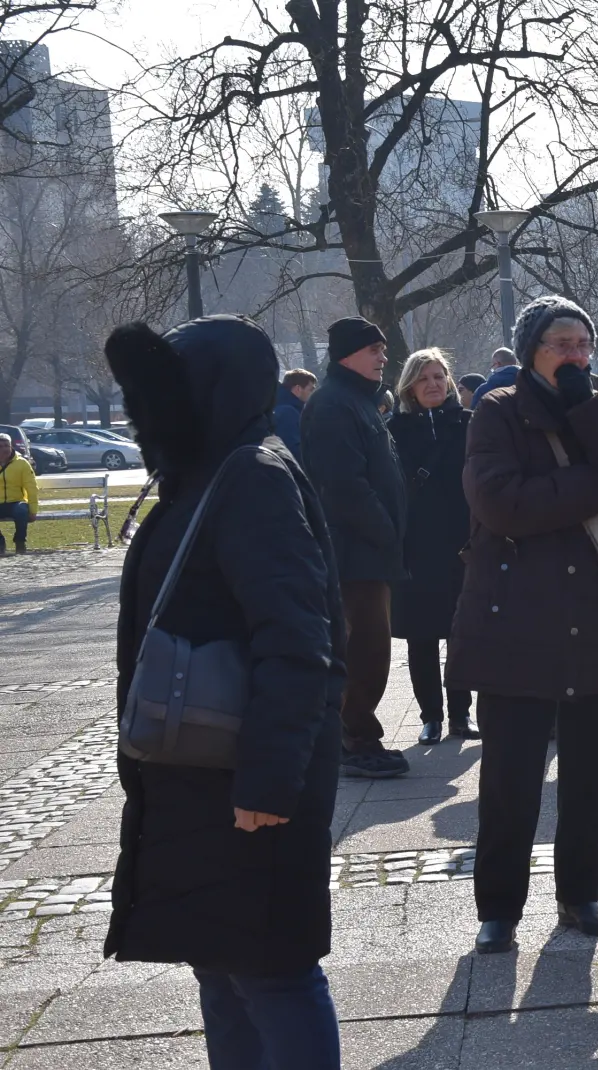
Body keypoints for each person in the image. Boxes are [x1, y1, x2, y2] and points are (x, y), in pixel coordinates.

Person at [102, 315, 343, 1069]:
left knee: (272, 972)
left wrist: (269, 781)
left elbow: (297, 641)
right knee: (220, 962)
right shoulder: (204, 472)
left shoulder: (252, 478)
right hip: (197, 774)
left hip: (245, 779)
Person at [448, 296, 598, 953]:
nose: (573, 354)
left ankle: (581, 896)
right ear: (532, 348)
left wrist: (587, 414)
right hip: (517, 619)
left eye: (581, 343)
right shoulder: (497, 409)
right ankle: (499, 910)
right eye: (559, 342)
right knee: (510, 781)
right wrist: (596, 488)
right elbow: (502, 504)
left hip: (596, 616)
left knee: (590, 778)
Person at [300, 316, 410, 778]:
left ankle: (358, 732)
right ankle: (354, 737)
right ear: (347, 355)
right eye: (374, 351)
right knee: (363, 648)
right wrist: (385, 530)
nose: (383, 358)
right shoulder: (332, 405)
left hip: (369, 550)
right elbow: (344, 485)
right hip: (354, 551)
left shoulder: (356, 401)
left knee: (371, 647)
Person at [388, 348, 478, 746]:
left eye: (439, 377)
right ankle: (431, 716)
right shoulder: (394, 429)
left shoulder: (469, 424)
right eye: (424, 378)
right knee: (421, 636)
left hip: (464, 544)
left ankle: (461, 714)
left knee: (463, 633)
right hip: (416, 546)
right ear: (409, 384)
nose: (433, 384)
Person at [0, 432, 36, 555]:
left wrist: (33, 510)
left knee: (21, 511)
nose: (4, 449)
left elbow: (31, 488)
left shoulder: (22, 463)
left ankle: (20, 542)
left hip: (16, 501)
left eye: (6, 445)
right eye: (0, 446)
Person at [272, 368, 317, 461]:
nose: (313, 394)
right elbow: (295, 451)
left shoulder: (284, 408)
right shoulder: (287, 413)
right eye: (311, 389)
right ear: (298, 389)